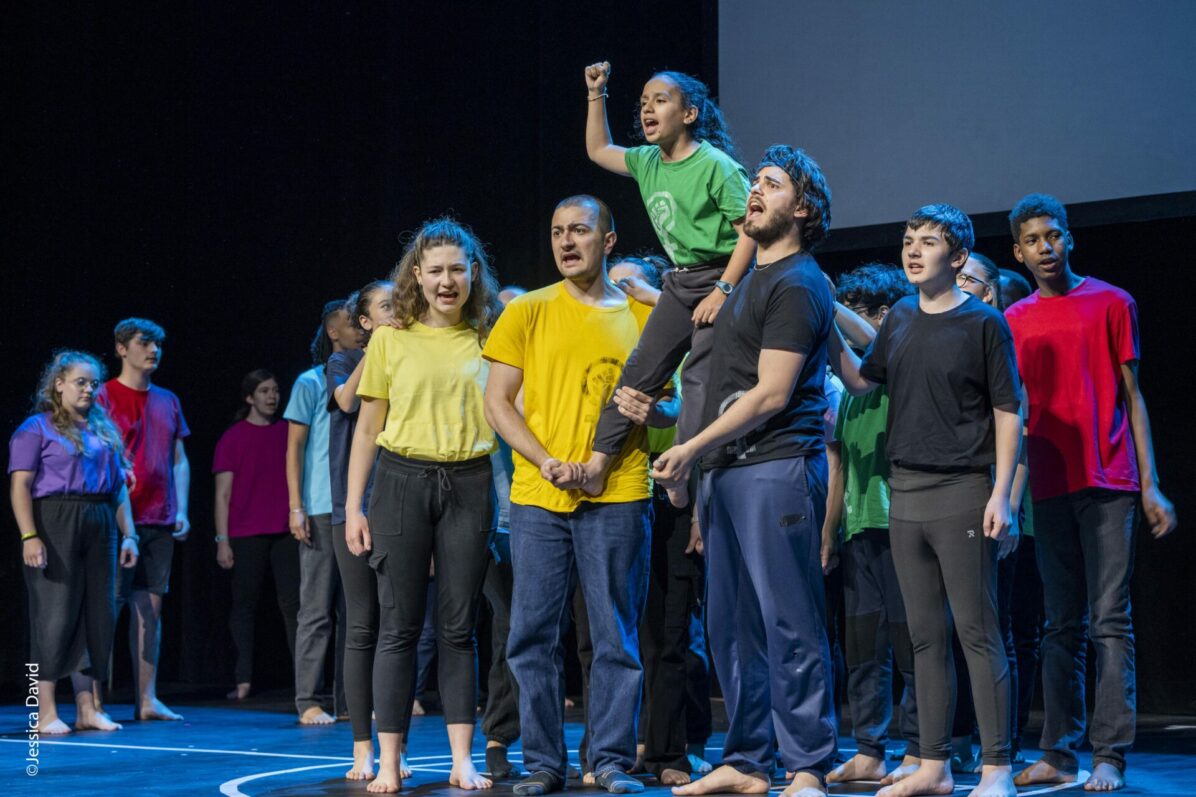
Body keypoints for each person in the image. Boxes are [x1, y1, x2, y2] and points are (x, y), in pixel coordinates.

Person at [649, 145, 837, 797]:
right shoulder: (749, 282)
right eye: (753, 181)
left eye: (772, 183)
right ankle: (749, 758)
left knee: (788, 619)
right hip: (727, 473)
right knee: (731, 623)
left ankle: (808, 760)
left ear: (802, 208)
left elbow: (772, 392)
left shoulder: (798, 281)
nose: (755, 190)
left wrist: (692, 445)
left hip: (778, 464)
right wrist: (702, 477)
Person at [827, 204, 1023, 797]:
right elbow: (865, 380)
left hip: (962, 490)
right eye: (908, 240)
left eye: (928, 242)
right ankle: (931, 767)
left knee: (976, 632)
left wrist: (1002, 493)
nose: (913, 250)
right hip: (904, 494)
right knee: (923, 636)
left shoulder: (984, 323)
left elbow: (1009, 410)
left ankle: (996, 768)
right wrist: (825, 326)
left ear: (957, 256)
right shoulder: (902, 317)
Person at [483, 195, 658, 796]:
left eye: (579, 230)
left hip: (619, 490)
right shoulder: (527, 310)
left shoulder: (641, 315)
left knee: (614, 633)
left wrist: (659, 410)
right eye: (558, 231)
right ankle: (543, 764)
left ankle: (608, 760)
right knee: (531, 633)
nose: (566, 241)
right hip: (539, 494)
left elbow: (680, 408)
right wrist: (546, 460)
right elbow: (497, 402)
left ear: (607, 242)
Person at [1004, 194, 1177, 793]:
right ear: (1019, 252)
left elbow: (1134, 399)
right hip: (1048, 486)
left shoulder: (1112, 302)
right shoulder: (1014, 321)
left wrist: (1151, 485)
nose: (1046, 247)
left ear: (1069, 238)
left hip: (1110, 482)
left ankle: (1111, 753)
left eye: (1055, 235)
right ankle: (1058, 750)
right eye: (1034, 240)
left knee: (1109, 621)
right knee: (1060, 625)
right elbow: (1014, 412)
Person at [345, 217, 501, 794]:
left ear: (472, 273)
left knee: (459, 628)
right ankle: (389, 762)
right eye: (435, 270)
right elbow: (366, 430)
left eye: (456, 269)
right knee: (399, 628)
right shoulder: (390, 339)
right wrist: (355, 507)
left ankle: (463, 760)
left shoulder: (492, 338)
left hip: (470, 482)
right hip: (401, 482)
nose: (446, 280)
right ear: (417, 275)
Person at [577, 62, 753, 507]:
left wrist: (724, 291)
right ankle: (598, 465)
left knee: (697, 377)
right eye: (642, 104)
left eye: (660, 100)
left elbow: (749, 233)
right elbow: (599, 149)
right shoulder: (647, 160)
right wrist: (597, 94)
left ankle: (680, 466)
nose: (647, 110)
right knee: (640, 371)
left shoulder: (717, 166)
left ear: (689, 114)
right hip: (682, 280)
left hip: (724, 274)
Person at [824, 263, 922, 787]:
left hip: (903, 522)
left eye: (853, 316)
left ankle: (920, 748)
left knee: (912, 644)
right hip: (858, 529)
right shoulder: (849, 390)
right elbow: (838, 464)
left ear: (885, 315)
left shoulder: (902, 356)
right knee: (864, 646)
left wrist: (822, 299)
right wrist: (827, 533)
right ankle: (868, 749)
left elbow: (877, 337)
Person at [11, 351, 139, 734]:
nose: (88, 389)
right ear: (59, 384)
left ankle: (87, 707)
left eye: (93, 383)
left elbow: (118, 489)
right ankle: (43, 712)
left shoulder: (101, 430)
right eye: (80, 382)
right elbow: (20, 485)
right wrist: (29, 535)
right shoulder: (36, 428)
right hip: (55, 520)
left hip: (100, 521)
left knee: (96, 615)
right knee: (53, 616)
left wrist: (129, 533)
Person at [326, 280, 411, 782]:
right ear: (364, 322)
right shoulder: (345, 360)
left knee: (401, 628)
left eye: (398, 304)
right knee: (362, 626)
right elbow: (347, 401)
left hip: (402, 504)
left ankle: (395, 749)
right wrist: (378, 346)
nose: (396, 311)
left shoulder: (410, 351)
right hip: (352, 509)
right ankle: (361, 749)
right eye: (385, 307)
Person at [97, 317, 190, 722]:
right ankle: (94, 701)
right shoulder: (102, 396)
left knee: (150, 610)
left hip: (159, 518)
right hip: (118, 521)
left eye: (158, 344)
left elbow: (178, 458)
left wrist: (182, 508)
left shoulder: (168, 399)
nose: (153, 350)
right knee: (107, 609)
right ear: (121, 348)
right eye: (143, 342)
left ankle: (147, 699)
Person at [285, 300, 361, 722]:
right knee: (316, 608)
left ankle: (351, 701)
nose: (360, 328)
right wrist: (296, 506)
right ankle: (308, 700)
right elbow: (294, 448)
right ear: (334, 331)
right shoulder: (311, 381)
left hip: (353, 508)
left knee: (356, 610)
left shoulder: (366, 375)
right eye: (352, 323)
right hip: (318, 506)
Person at [213, 370, 299, 700]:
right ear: (250, 397)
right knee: (244, 607)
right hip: (246, 532)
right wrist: (222, 540)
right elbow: (222, 495)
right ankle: (243, 679)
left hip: (285, 531)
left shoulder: (287, 432)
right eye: (264, 391)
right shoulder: (233, 438)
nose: (272, 396)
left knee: (294, 606)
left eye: (275, 390)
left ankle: (303, 682)